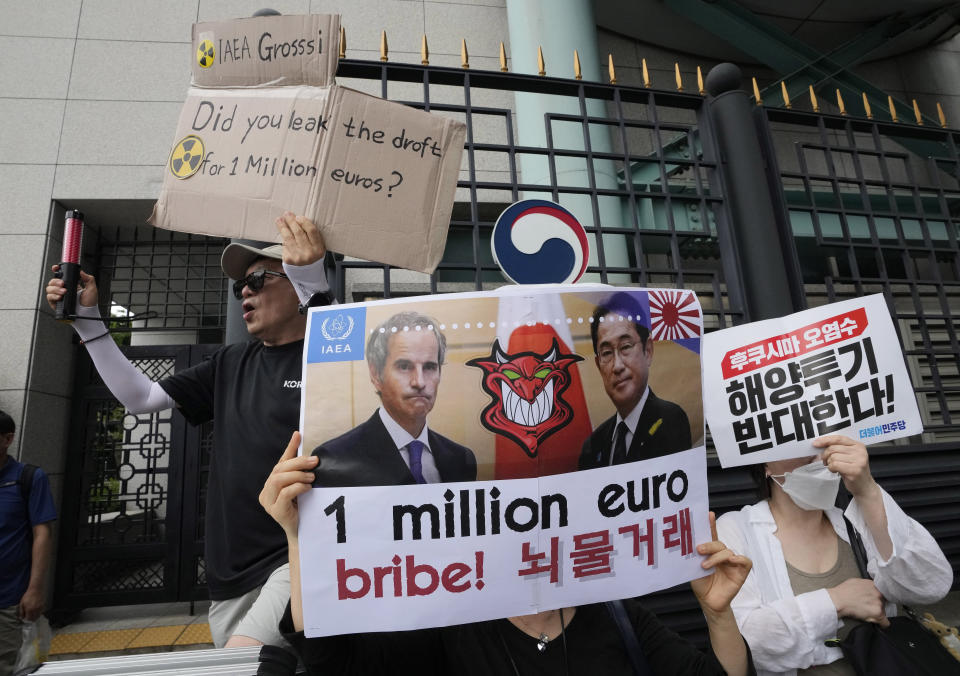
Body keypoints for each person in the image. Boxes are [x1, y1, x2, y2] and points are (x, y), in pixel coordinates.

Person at [44, 213, 332, 649]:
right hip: (229, 571)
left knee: (242, 661)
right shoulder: (229, 362)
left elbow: (334, 336)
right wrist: (88, 320)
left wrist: (313, 281)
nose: (244, 294)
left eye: (258, 281)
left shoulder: (331, 354)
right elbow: (141, 398)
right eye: (240, 288)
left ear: (295, 284)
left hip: (301, 553)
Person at [260, 433, 756, 675]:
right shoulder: (451, 626)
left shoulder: (619, 615)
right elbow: (333, 662)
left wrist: (718, 615)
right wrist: (302, 540)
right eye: (511, 509)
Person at [716, 434, 953, 676]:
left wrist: (867, 490)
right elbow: (744, 644)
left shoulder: (854, 523)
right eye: (799, 441)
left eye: (825, 442)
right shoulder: (736, 531)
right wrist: (836, 601)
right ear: (763, 463)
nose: (820, 455)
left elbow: (930, 584)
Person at [310, 311, 476, 487]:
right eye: (404, 366)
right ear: (376, 374)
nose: (419, 382)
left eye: (429, 367)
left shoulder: (461, 458)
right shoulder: (333, 459)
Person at [579, 293, 692, 470]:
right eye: (607, 353)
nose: (617, 366)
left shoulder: (670, 419)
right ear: (598, 365)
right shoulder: (592, 445)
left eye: (625, 347)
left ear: (648, 351)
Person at [0, 410, 56, 676]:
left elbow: (42, 534)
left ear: (7, 439)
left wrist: (34, 589)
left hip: (9, 602)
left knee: (11, 667)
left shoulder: (28, 478)